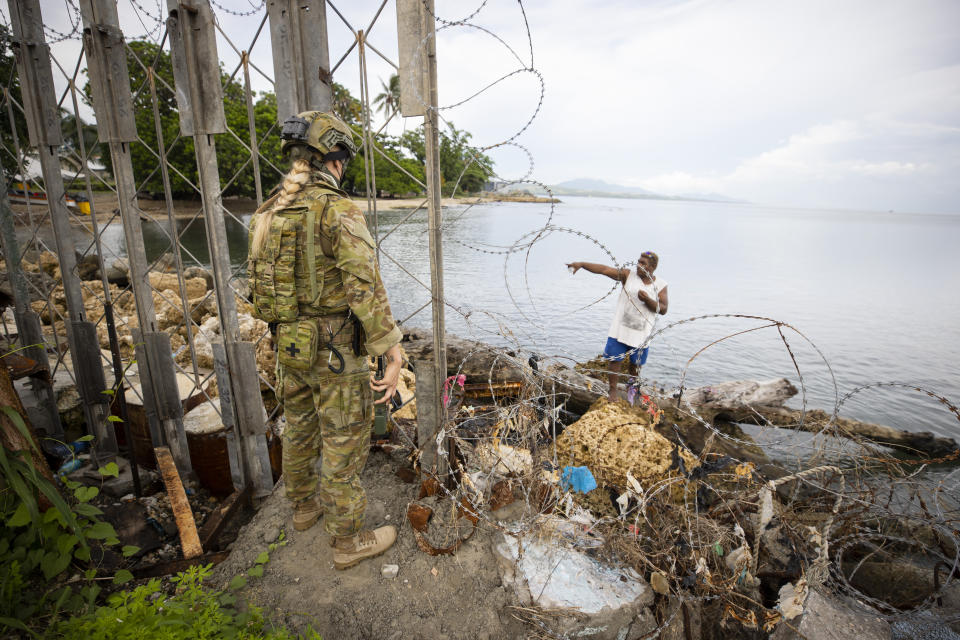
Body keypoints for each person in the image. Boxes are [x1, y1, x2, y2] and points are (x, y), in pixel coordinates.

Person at [248, 111, 403, 570]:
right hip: (334, 351)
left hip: (288, 344)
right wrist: (391, 352)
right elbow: (363, 288)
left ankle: (303, 509)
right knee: (343, 440)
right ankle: (347, 541)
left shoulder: (269, 210)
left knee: (297, 428)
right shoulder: (338, 211)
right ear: (336, 158)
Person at [566, 252, 668, 401]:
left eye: (643, 263)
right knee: (614, 361)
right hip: (620, 330)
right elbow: (604, 270)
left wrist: (648, 300)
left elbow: (663, 309)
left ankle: (632, 389)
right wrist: (581, 264)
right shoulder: (628, 275)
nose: (639, 265)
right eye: (638, 262)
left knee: (635, 365)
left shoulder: (660, 285)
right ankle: (612, 391)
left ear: (652, 267)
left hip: (641, 334)